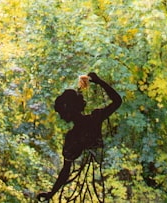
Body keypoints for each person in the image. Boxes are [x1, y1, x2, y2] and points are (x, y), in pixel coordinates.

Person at [37, 72, 122, 201]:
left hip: (103, 180)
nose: (61, 116)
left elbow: (65, 171)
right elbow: (117, 101)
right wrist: (99, 82)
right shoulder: (94, 118)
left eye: (62, 113)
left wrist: (52, 193)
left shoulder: (75, 134)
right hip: (100, 182)